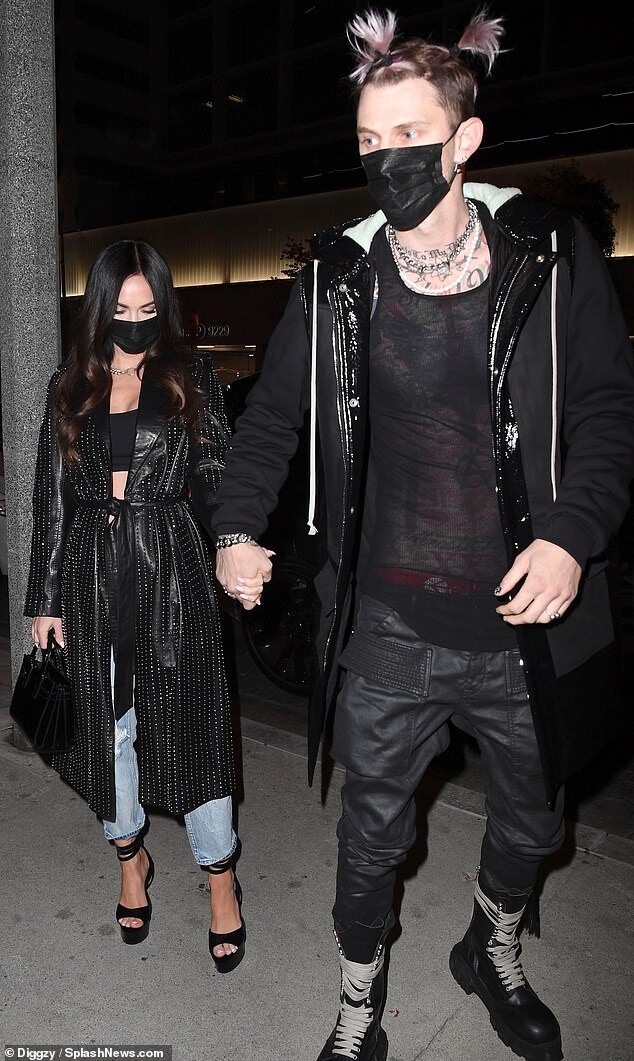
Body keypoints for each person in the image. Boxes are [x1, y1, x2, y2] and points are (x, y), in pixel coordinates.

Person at [211, 7, 634, 1059]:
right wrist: (236, 525)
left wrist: (571, 534)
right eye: (369, 140)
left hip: (526, 623)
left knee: (535, 824)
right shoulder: (336, 281)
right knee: (370, 839)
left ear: (463, 140)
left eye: (409, 135)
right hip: (390, 625)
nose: (386, 159)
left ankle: (491, 947)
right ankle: (359, 1005)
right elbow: (270, 419)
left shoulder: (552, 255)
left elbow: (605, 409)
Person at [25, 240, 259, 972]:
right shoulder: (70, 385)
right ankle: (131, 860)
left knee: (195, 726)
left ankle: (220, 878)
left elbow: (218, 472)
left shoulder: (191, 375)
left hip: (172, 567)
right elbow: (52, 500)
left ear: (164, 308)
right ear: (100, 310)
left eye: (147, 308)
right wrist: (45, 598)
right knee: (108, 731)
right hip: (93, 573)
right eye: (121, 309)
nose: (134, 322)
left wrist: (236, 543)